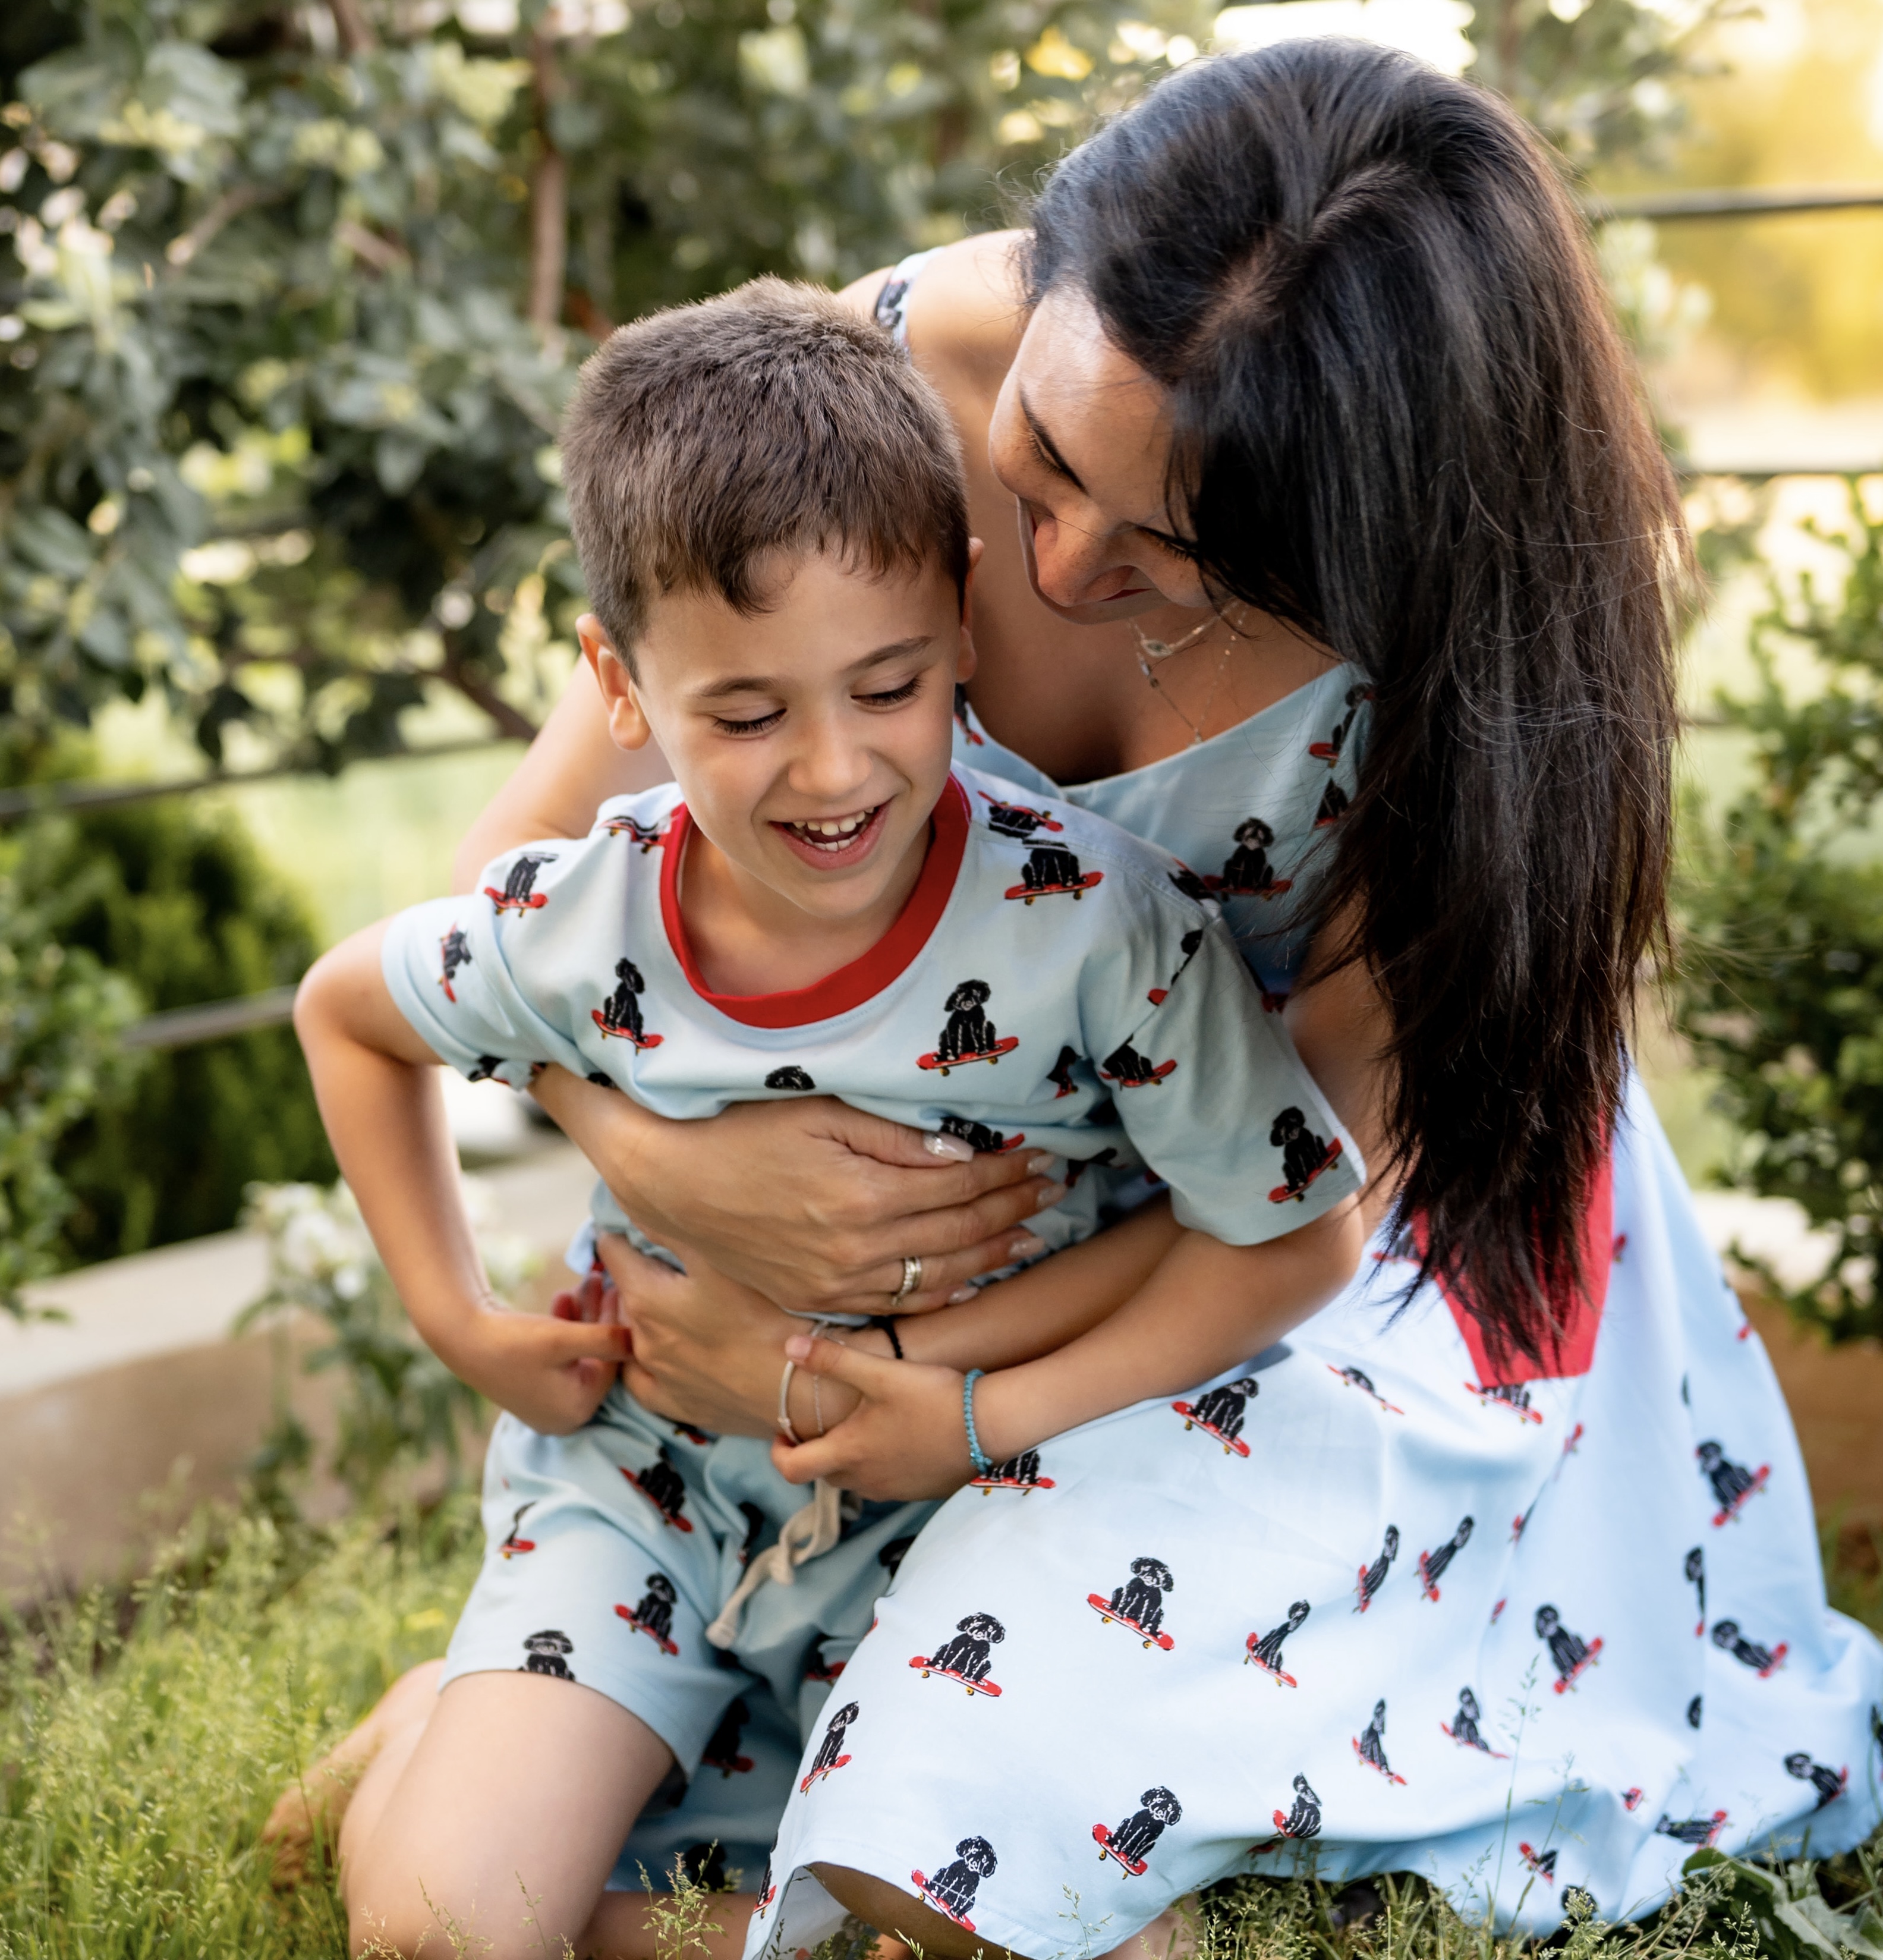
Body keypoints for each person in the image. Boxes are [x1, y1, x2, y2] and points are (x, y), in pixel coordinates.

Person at [292, 39, 1883, 1957]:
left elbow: (1299, 1210)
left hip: (1259, 1274)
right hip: (921, 1245)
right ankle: (560, 1775)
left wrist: (933, 1395)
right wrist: (676, 1168)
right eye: (1037, 463)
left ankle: (660, 1805)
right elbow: (528, 903)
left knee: (1025, 1767)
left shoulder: (1454, 677)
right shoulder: (876, 384)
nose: (1041, 565)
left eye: (1159, 557)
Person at [288, 278, 1366, 1959]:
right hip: (650, 1484)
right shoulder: (590, 917)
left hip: (977, 1496)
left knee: (1070, 1928)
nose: (830, 770)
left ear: (960, 617)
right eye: (742, 712)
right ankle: (456, 1750)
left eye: (886, 686)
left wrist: (976, 1405)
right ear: (619, 684)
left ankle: (676, 1850)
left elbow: (1292, 1224)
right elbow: (346, 1008)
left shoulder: (1098, 931)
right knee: (441, 1930)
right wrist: (460, 1320)